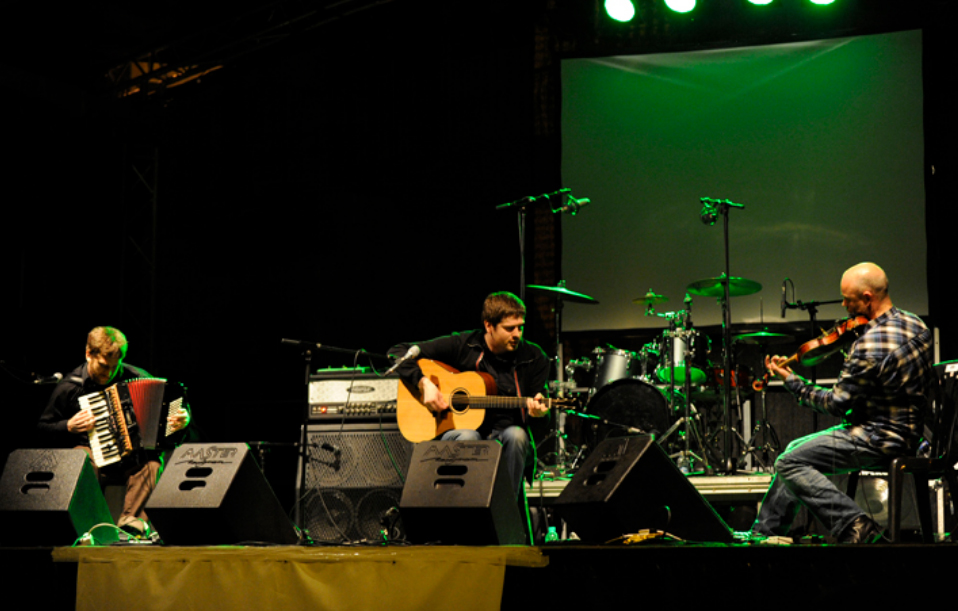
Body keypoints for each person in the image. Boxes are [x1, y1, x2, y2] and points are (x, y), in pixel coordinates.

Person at [750, 262, 933, 544]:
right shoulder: (916, 324)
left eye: (848, 299)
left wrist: (792, 381)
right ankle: (765, 533)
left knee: (788, 462)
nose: (844, 305)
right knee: (793, 449)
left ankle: (855, 525)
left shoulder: (868, 345)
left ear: (868, 298)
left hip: (879, 438)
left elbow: (835, 404)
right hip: (913, 434)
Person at [388, 291, 551, 499]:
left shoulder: (534, 358)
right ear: (489, 326)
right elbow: (397, 352)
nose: (517, 334)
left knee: (516, 435)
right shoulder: (464, 345)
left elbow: (542, 420)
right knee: (469, 436)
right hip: (459, 431)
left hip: (506, 436)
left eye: (520, 327)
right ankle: (467, 507)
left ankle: (505, 508)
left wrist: (540, 414)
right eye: (509, 328)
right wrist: (424, 383)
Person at [37, 326, 190, 538]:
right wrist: (68, 426)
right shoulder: (70, 387)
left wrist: (182, 420)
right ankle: (87, 525)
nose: (109, 373)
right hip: (91, 455)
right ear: (88, 354)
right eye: (103, 366)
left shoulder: (136, 377)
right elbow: (42, 429)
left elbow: (168, 423)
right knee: (81, 459)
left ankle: (130, 526)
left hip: (129, 458)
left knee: (152, 464)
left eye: (114, 367)